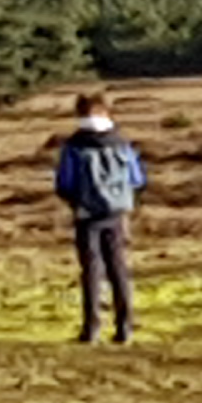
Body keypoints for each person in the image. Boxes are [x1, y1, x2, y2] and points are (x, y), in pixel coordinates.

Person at [51, 89, 146, 343]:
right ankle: (125, 327)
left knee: (92, 270)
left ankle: (91, 329)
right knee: (118, 268)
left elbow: (64, 183)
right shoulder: (122, 144)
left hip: (86, 214)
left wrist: (75, 202)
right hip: (117, 213)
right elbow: (137, 179)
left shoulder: (73, 146)